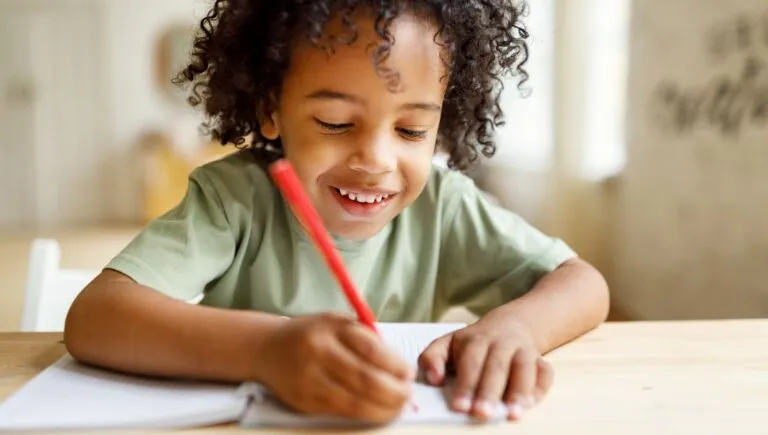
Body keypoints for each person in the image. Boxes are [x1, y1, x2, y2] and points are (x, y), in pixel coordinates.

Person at [64, 0, 610, 425]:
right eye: (334, 121)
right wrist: (266, 351)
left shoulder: (444, 206)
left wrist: (514, 328)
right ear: (270, 110)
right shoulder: (235, 199)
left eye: (411, 130)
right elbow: (95, 317)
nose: (375, 159)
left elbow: (582, 284)